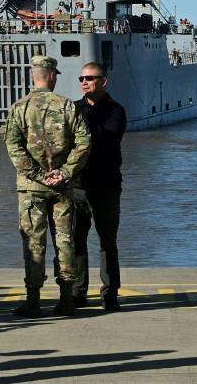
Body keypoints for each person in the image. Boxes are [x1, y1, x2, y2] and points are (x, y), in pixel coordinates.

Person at [4, 55, 90, 318]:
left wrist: (39, 175)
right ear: (51, 76)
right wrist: (63, 173)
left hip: (31, 189)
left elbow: (14, 148)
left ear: (34, 76)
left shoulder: (19, 107)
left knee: (33, 243)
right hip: (63, 187)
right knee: (65, 242)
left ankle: (33, 301)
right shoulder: (66, 106)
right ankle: (66, 299)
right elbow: (84, 142)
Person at [73, 61, 127, 310]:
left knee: (107, 241)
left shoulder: (116, 110)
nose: (85, 82)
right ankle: (77, 291)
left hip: (106, 185)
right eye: (82, 78)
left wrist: (85, 130)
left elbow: (107, 140)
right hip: (78, 185)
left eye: (90, 78)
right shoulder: (73, 109)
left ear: (103, 81)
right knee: (76, 240)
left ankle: (110, 292)